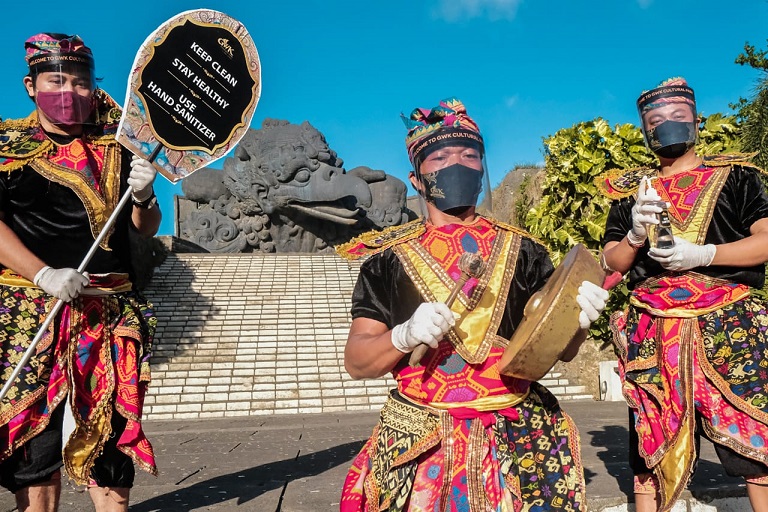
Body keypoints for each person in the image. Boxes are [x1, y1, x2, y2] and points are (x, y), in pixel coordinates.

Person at [337, 97, 609, 511]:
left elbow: (560, 351)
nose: (457, 164)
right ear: (416, 178)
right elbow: (358, 362)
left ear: (483, 168)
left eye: (469, 154)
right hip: (423, 437)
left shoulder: (527, 251)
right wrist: (402, 335)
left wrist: (580, 321)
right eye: (440, 157)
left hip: (517, 435)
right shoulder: (386, 260)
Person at [0, 33, 161, 511]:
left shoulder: (122, 143)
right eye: (55, 79)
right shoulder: (6, 146)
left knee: (110, 432)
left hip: (110, 311)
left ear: (95, 86)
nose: (69, 90)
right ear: (31, 85)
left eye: (80, 80)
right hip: (33, 306)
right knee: (36, 438)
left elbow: (144, 229)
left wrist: (146, 195)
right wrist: (43, 273)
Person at [600, 77, 768, 512]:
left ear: (696, 120)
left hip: (729, 322)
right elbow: (613, 262)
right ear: (645, 130)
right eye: (656, 120)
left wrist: (706, 253)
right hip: (654, 326)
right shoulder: (629, 195)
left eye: (678, 116)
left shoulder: (737, 179)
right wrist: (635, 234)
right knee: (649, 441)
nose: (668, 125)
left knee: (755, 438)